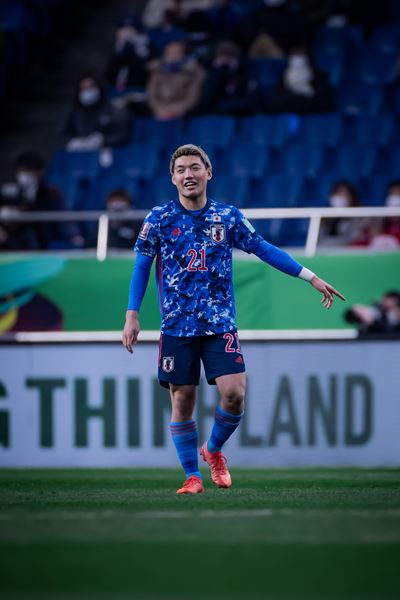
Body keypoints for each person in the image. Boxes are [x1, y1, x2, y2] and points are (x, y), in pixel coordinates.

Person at [122, 144, 345, 494]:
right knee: (182, 400)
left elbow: (264, 249)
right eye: (181, 169)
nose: (188, 174)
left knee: (234, 395)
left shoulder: (227, 217)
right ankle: (192, 476)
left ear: (208, 173)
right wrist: (132, 314)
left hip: (220, 324)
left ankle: (212, 450)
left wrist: (310, 277)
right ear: (172, 178)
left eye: (195, 167)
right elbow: (142, 266)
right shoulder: (158, 219)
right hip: (177, 327)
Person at [0, 152, 84, 250]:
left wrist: (75, 236)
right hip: (11, 242)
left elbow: (63, 218)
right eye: (23, 171)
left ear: (40, 172)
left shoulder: (51, 194)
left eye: (30, 171)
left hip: (40, 243)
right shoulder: (6, 192)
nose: (26, 175)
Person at [63, 72, 131, 150]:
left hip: (107, 152)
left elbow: (122, 135)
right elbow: (63, 135)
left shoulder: (113, 110)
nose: (87, 91)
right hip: (79, 153)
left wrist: (103, 140)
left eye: (91, 87)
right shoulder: (75, 113)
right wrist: (72, 142)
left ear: (99, 88)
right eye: (83, 88)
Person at [146, 40, 205, 120]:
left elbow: (193, 97)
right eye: (170, 53)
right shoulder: (157, 70)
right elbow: (152, 95)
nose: (173, 56)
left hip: (182, 113)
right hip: (159, 112)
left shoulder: (194, 72)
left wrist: (175, 110)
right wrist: (159, 109)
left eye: (177, 53)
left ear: (184, 55)